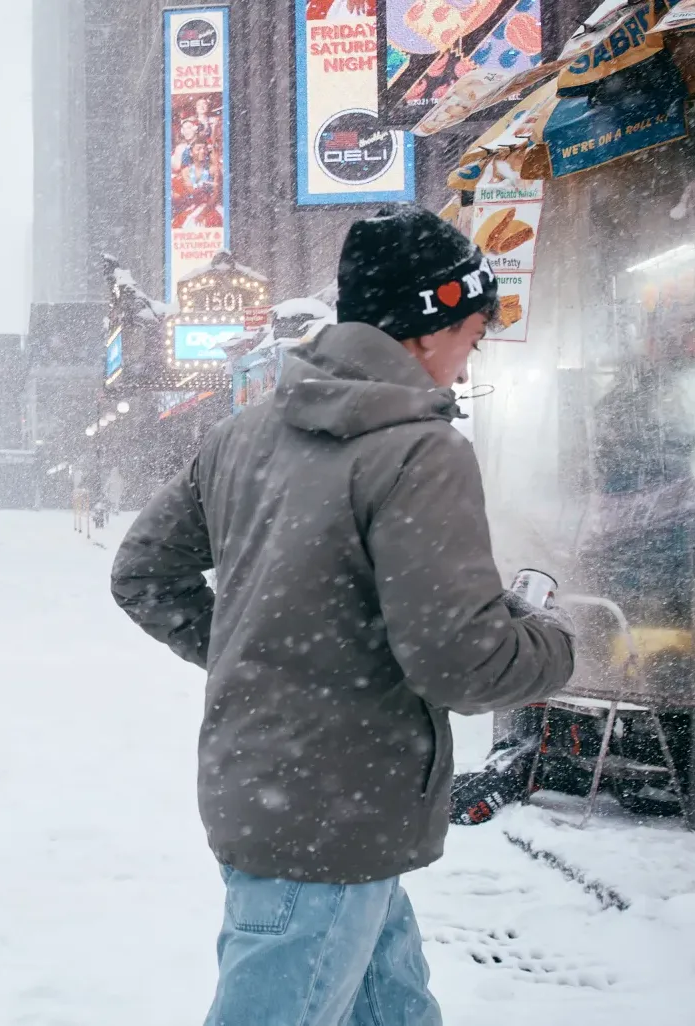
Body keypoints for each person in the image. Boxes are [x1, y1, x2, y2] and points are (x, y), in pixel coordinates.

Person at [110, 204, 576, 1026]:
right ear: (428, 325)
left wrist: (257, 654)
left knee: (392, 1004)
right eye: (472, 333)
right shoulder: (422, 451)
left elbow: (145, 574)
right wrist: (559, 647)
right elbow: (458, 660)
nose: (468, 366)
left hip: (277, 794)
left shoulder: (242, 434)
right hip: (340, 809)